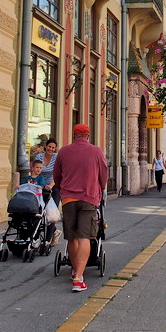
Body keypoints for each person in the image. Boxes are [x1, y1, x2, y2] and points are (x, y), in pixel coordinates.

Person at [52, 123, 108, 293]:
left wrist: (64, 189)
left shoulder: (63, 151)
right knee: (84, 237)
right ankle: (78, 279)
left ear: (74, 135)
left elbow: (57, 176)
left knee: (72, 238)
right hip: (89, 198)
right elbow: (103, 174)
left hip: (68, 199)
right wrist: (100, 188)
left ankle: (75, 271)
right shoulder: (96, 151)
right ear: (88, 136)